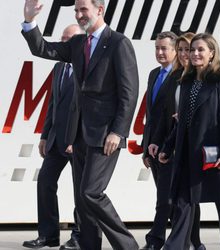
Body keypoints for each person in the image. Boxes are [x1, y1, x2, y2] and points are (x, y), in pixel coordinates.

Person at [22, 0, 139, 249]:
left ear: (100, 10)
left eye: (83, 9)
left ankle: (128, 245)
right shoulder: (77, 43)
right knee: (82, 198)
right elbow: (43, 49)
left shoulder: (118, 43)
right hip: (78, 135)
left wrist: (118, 131)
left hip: (105, 135)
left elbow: (129, 93)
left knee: (90, 193)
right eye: (76, 10)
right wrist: (30, 22)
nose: (79, 15)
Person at [158, 33, 220, 250]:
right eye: (192, 50)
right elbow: (182, 121)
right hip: (187, 154)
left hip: (213, 153)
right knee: (183, 204)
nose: (194, 53)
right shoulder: (186, 81)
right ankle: (174, 247)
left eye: (200, 49)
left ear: (212, 53)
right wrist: (168, 147)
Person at [22, 24, 82, 250]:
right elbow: (53, 103)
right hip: (56, 140)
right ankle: (48, 235)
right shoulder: (59, 68)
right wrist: (45, 135)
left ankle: (79, 235)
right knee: (45, 182)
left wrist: (76, 139)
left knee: (81, 191)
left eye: (68, 39)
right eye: (62, 38)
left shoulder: (87, 68)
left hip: (76, 142)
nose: (63, 43)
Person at [149, 33, 206, 250]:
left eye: (188, 49)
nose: (184, 54)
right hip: (173, 144)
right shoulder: (175, 78)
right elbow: (164, 115)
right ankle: (183, 242)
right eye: (181, 49)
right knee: (172, 196)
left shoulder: (203, 78)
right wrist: (156, 143)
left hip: (193, 146)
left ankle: (191, 242)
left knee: (188, 197)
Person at [141, 31, 177, 250]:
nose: (160, 52)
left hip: (170, 147)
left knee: (165, 198)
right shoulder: (154, 74)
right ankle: (190, 239)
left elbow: (171, 117)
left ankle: (155, 240)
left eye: (164, 48)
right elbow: (151, 114)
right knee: (166, 197)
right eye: (157, 48)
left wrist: (167, 146)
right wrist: (146, 148)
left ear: (175, 50)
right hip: (153, 148)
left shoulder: (180, 76)